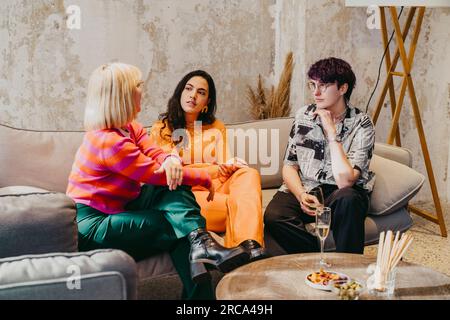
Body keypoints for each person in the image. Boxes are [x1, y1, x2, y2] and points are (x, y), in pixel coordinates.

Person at [66, 63, 249, 300]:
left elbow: (156, 154)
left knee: (178, 201)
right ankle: (201, 278)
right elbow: (156, 174)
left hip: (124, 205)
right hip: (94, 224)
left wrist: (171, 158)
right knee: (177, 226)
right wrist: (205, 177)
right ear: (123, 95)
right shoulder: (108, 142)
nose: (143, 90)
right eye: (138, 86)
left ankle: (200, 247)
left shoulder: (129, 127)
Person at [148, 70, 265, 261]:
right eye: (189, 89)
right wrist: (214, 169)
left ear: (207, 102)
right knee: (241, 206)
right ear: (180, 93)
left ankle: (249, 247)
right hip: (187, 194)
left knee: (247, 173)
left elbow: (225, 165)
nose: (193, 95)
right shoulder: (162, 128)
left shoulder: (216, 126)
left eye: (201, 92)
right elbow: (172, 173)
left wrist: (230, 165)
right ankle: (245, 253)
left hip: (217, 187)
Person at [264, 57, 375, 254]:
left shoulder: (361, 124)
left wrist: (332, 133)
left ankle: (349, 268)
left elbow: (345, 181)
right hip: (308, 186)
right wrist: (301, 194)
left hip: (341, 194)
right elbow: (290, 166)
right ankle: (316, 255)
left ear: (342, 88)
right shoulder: (304, 116)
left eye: (323, 86)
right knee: (274, 216)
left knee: (348, 199)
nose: (315, 93)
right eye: (313, 85)